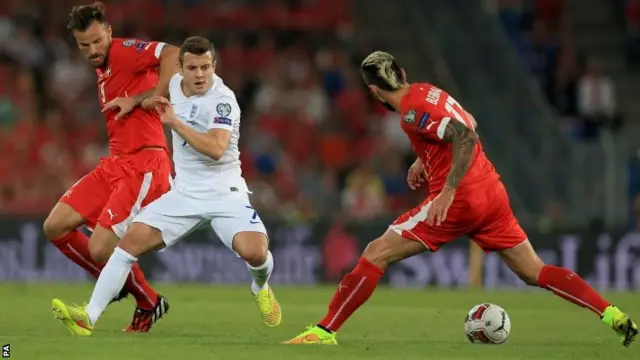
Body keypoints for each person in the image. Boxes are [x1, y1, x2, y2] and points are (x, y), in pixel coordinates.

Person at [283, 51, 638, 347]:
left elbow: (464, 135)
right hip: (492, 194)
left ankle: (324, 331)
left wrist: (448, 189)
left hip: (460, 200)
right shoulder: (427, 91)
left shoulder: (409, 114)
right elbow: (469, 120)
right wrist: (425, 159)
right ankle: (612, 314)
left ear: (375, 92)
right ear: (403, 74)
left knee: (376, 253)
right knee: (535, 271)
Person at [50, 36, 281, 336]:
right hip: (184, 195)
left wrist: (175, 123)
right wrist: (133, 101)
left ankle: (260, 286)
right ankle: (88, 318)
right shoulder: (173, 87)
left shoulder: (223, 100)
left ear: (214, 67)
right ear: (180, 69)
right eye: (193, 68)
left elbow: (216, 148)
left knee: (255, 253)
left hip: (225, 195)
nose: (200, 75)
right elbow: (154, 93)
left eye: (206, 67)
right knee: (128, 244)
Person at [43, 2, 178, 332]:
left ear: (109, 33)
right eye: (84, 45)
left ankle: (134, 292)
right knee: (55, 226)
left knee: (99, 248)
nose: (92, 50)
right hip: (116, 162)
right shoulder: (102, 66)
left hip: (144, 163)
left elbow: (174, 54)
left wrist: (149, 98)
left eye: (97, 41)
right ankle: (142, 295)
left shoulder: (124, 51)